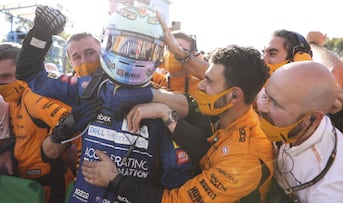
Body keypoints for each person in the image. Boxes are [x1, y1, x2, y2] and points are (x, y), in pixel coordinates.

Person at [16, 6, 198, 203]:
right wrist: (41, 33)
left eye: (142, 48)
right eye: (123, 44)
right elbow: (30, 74)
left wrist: (153, 100)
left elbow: (176, 180)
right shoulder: (87, 88)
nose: (133, 54)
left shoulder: (162, 103)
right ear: (108, 42)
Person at [80, 44, 274, 203]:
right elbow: (207, 146)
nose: (201, 86)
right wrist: (164, 111)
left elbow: (174, 201)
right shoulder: (232, 115)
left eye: (209, 81)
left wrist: (114, 180)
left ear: (234, 95)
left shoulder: (244, 159)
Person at [0, 42, 100, 203]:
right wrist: (7, 153)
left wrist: (84, 181)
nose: (1, 84)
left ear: (21, 72)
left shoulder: (33, 97)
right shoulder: (11, 100)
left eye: (5, 76)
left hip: (51, 188)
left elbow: (80, 128)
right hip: (25, 187)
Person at [257, 61, 343, 202]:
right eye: (266, 95)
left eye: (275, 103)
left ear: (312, 118)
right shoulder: (294, 107)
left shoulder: (335, 189)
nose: (262, 108)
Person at [153, 30, 201, 96]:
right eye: (168, 47)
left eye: (178, 48)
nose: (172, 52)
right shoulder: (154, 80)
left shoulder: (199, 86)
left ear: (192, 55)